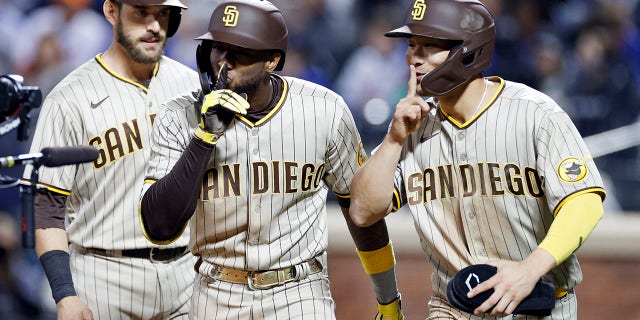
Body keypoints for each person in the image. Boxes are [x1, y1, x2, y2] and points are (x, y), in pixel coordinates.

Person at [139, 0, 404, 319]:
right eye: (217, 49)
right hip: (216, 291)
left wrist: (388, 300)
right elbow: (159, 228)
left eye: (239, 52)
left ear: (272, 60)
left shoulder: (324, 110)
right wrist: (204, 138)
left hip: (299, 291)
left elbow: (359, 212)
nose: (224, 63)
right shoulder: (179, 115)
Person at [349, 0, 606, 319]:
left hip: (537, 305)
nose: (414, 57)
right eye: (412, 45)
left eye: (430, 46)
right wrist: (393, 139)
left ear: (470, 50)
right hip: (452, 308)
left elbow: (584, 202)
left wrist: (529, 269)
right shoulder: (411, 126)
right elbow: (362, 211)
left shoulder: (534, 113)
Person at [23, 0, 199, 319]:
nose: (154, 25)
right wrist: (64, 295)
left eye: (163, 14)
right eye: (141, 12)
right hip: (103, 275)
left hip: (186, 275)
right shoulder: (69, 98)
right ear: (111, 12)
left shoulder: (192, 86)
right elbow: (46, 205)